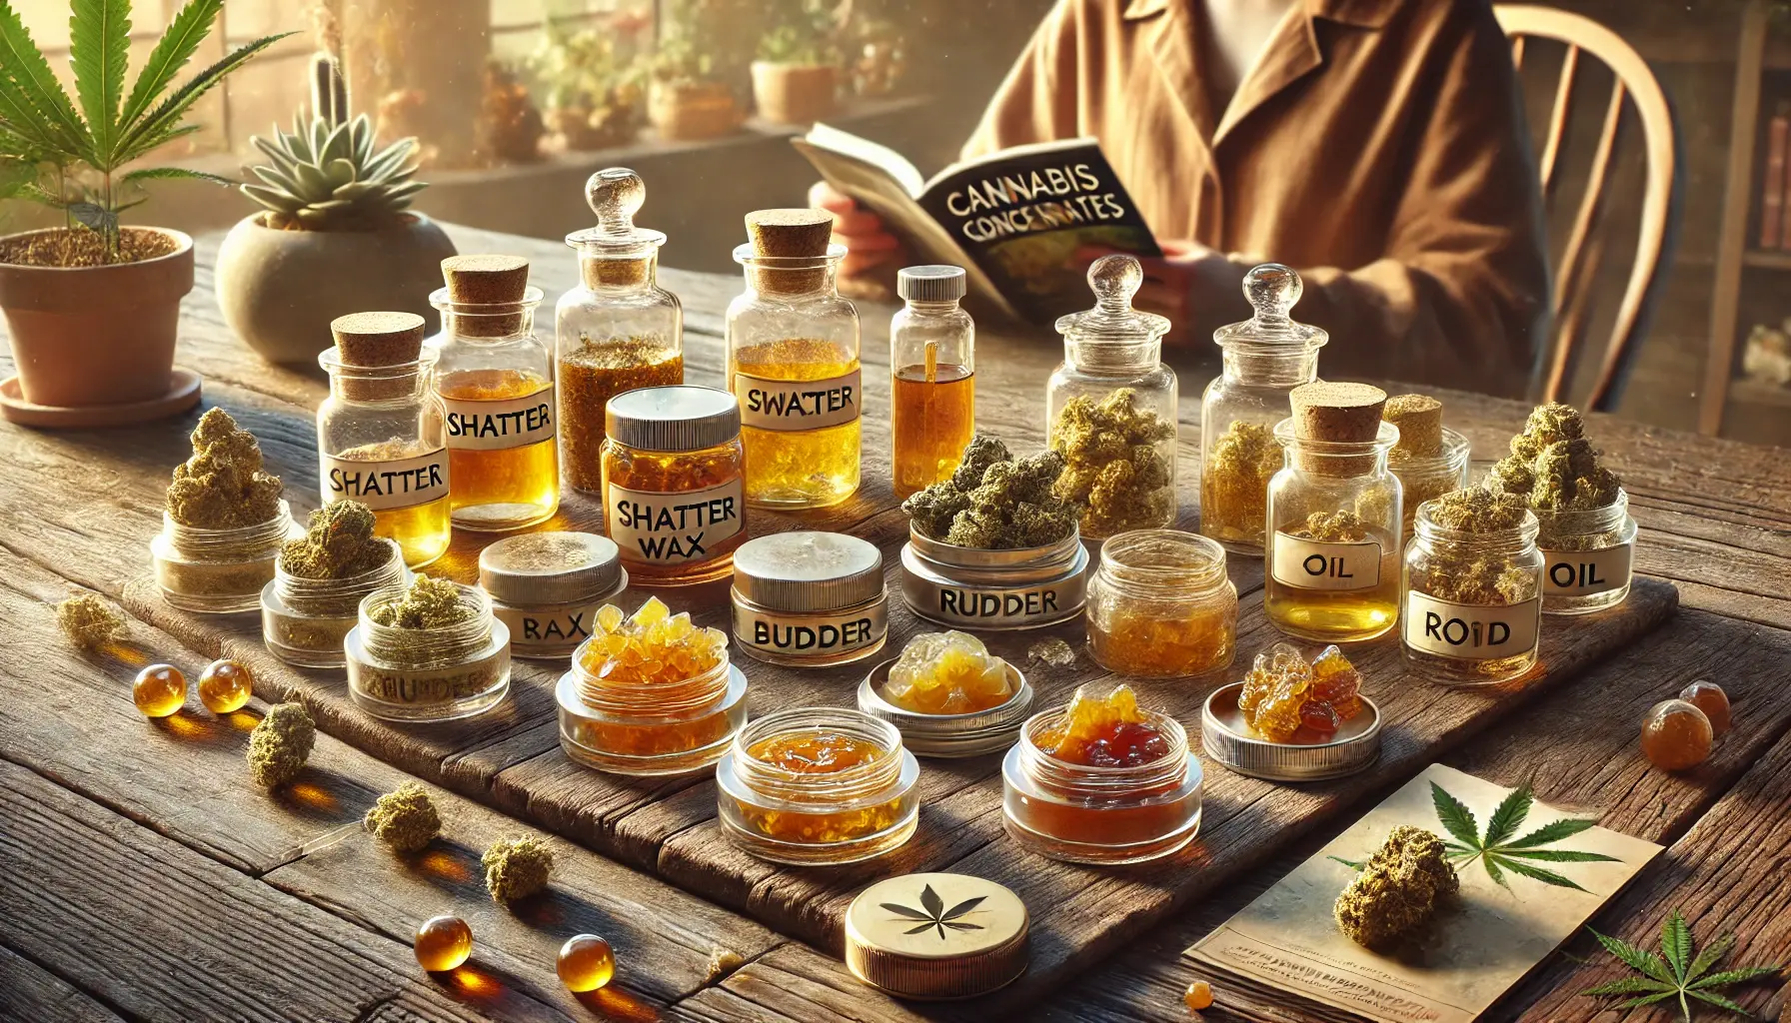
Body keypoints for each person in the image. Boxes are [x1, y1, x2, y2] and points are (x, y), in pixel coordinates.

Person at [812, 0, 1550, 397]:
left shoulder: (1438, 27)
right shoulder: (1092, 14)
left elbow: (1490, 319)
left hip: (1318, 461)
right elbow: (975, 214)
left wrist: (1255, 308)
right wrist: (892, 249)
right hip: (1105, 422)